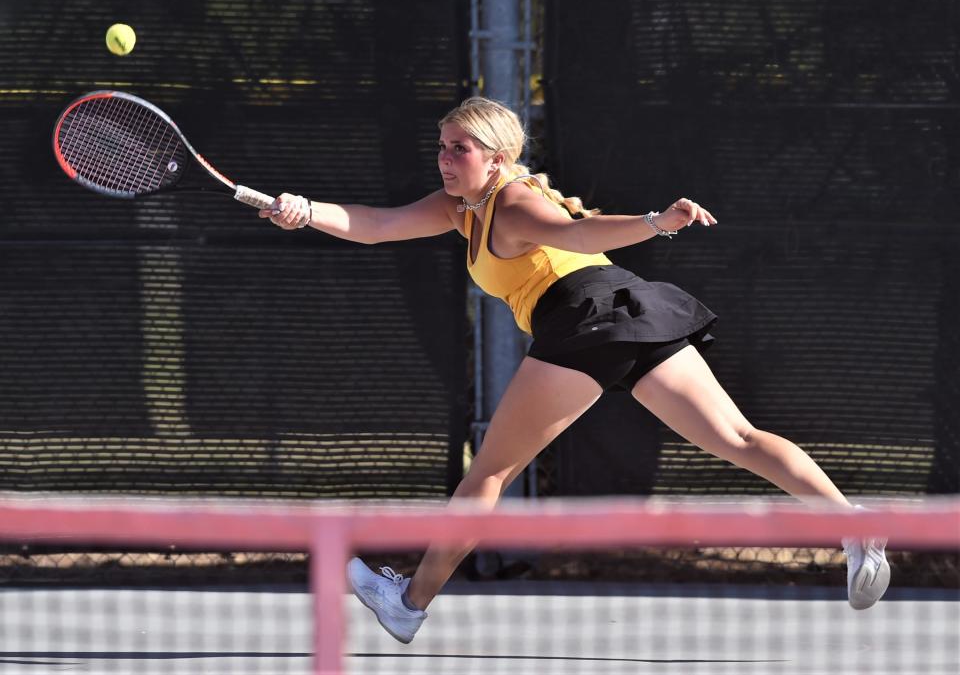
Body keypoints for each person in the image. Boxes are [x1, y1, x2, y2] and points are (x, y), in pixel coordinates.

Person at [260, 96, 890, 644]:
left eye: (461, 148)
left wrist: (654, 222)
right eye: (442, 147)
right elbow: (376, 225)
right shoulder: (461, 210)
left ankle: (407, 605)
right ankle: (853, 527)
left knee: (489, 473)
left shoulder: (509, 206)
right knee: (738, 438)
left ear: (498, 159)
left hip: (585, 318)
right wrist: (303, 208)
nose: (445, 158)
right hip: (631, 308)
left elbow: (579, 234)